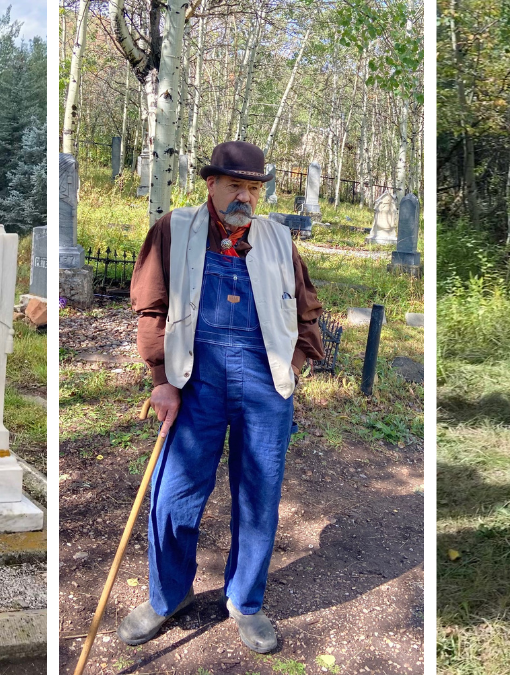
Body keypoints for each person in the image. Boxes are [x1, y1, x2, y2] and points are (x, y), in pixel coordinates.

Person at [122, 141, 326, 652]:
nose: (244, 196)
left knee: (260, 497)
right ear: (210, 184)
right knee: (175, 495)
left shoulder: (278, 239)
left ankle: (245, 602)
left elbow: (307, 311)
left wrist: (293, 368)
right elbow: (152, 305)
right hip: (197, 381)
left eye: (253, 187)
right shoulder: (176, 229)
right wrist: (161, 379)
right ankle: (167, 597)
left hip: (264, 383)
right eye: (235, 184)